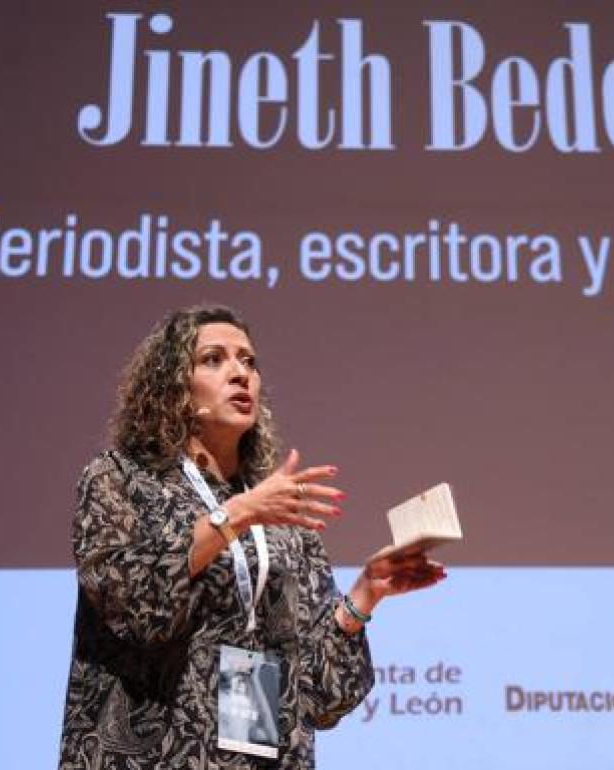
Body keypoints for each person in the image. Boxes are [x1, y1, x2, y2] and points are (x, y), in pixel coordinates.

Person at [58, 304, 446, 769]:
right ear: (172, 388)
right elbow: (139, 609)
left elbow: (323, 698)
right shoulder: (119, 480)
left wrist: (363, 597)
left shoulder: (280, 514)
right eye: (214, 359)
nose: (239, 373)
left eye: (248, 361)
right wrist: (237, 514)